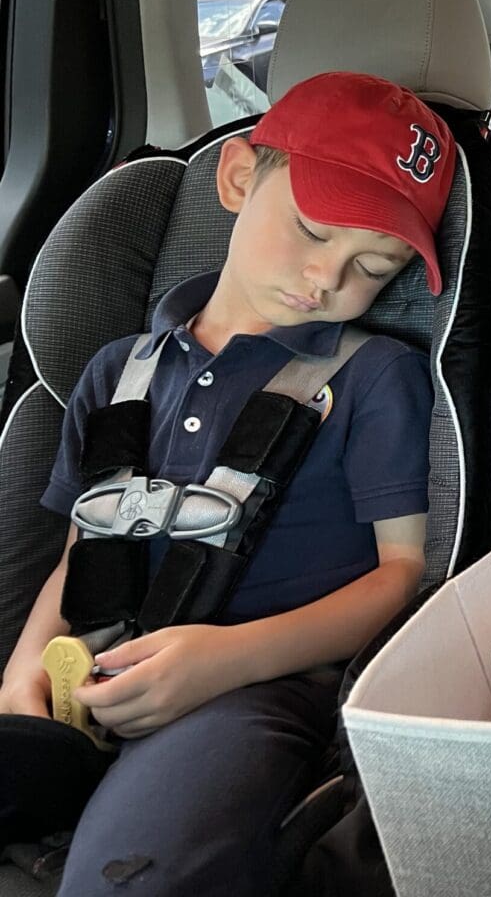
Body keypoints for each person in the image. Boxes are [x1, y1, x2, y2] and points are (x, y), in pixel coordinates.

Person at [0, 70, 453, 896]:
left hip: (255, 692)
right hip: (93, 675)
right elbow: (83, 546)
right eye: (313, 230)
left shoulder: (374, 377)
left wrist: (226, 661)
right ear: (241, 177)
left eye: (372, 266)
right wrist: (25, 665)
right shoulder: (116, 372)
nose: (326, 281)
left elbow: (402, 574)